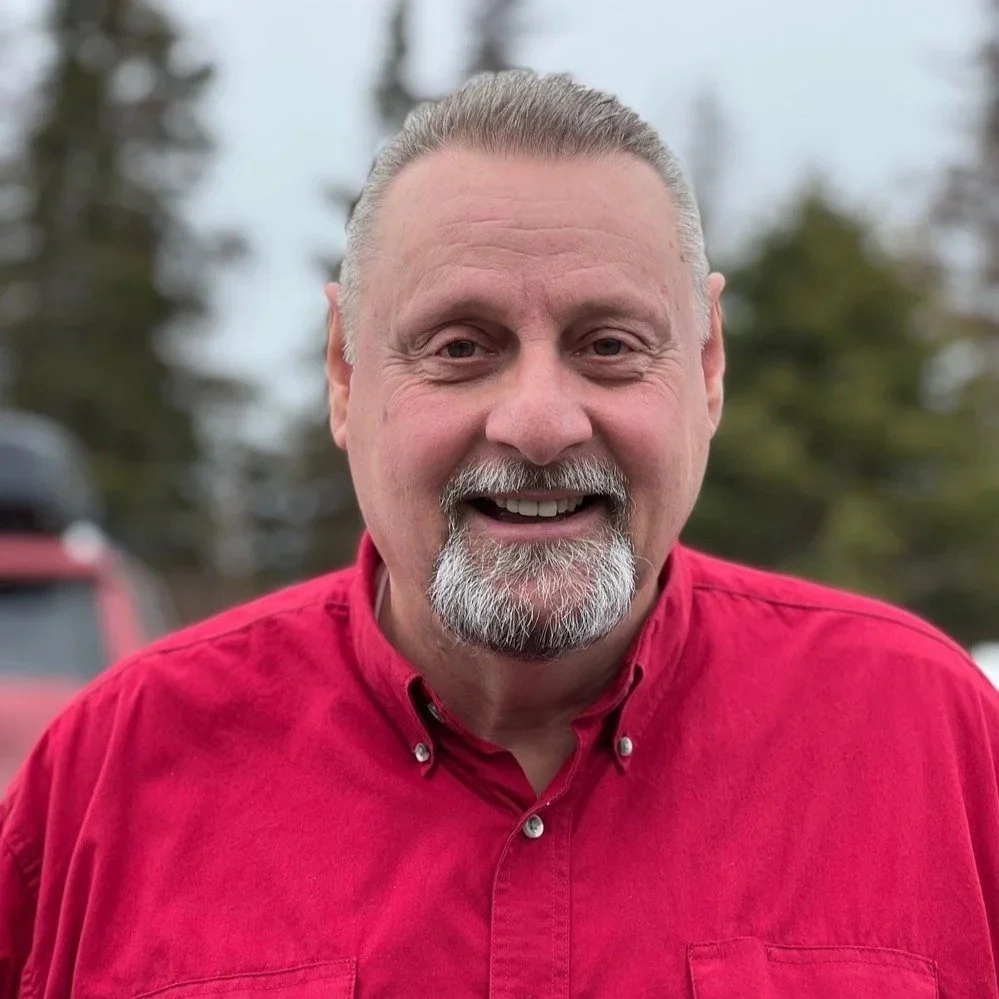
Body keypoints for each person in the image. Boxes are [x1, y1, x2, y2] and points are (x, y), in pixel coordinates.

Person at [2, 69, 997, 998]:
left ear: (706, 366)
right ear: (346, 373)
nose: (538, 420)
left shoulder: (933, 741)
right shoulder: (113, 776)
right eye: (460, 347)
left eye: (609, 346)